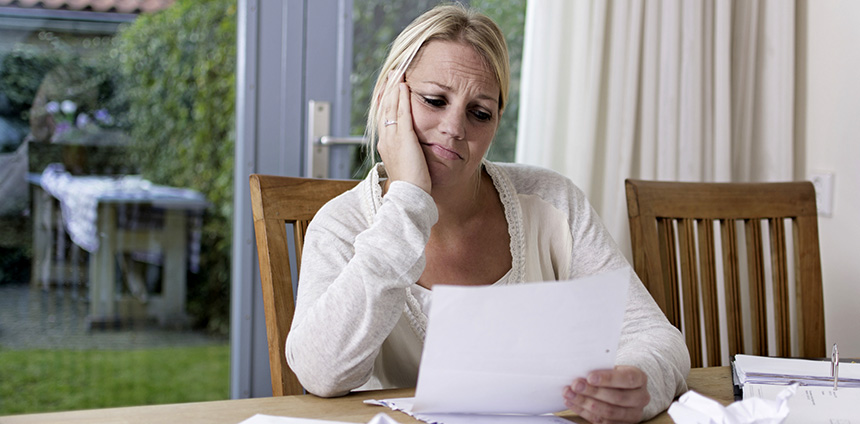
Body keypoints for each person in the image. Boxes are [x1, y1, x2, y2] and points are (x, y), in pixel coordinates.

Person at [285, 4, 690, 423]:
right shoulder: (340, 225)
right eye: (434, 100)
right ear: (391, 99)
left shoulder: (553, 202)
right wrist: (407, 200)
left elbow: (655, 337)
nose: (455, 127)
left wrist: (637, 382)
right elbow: (321, 373)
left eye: (479, 113)